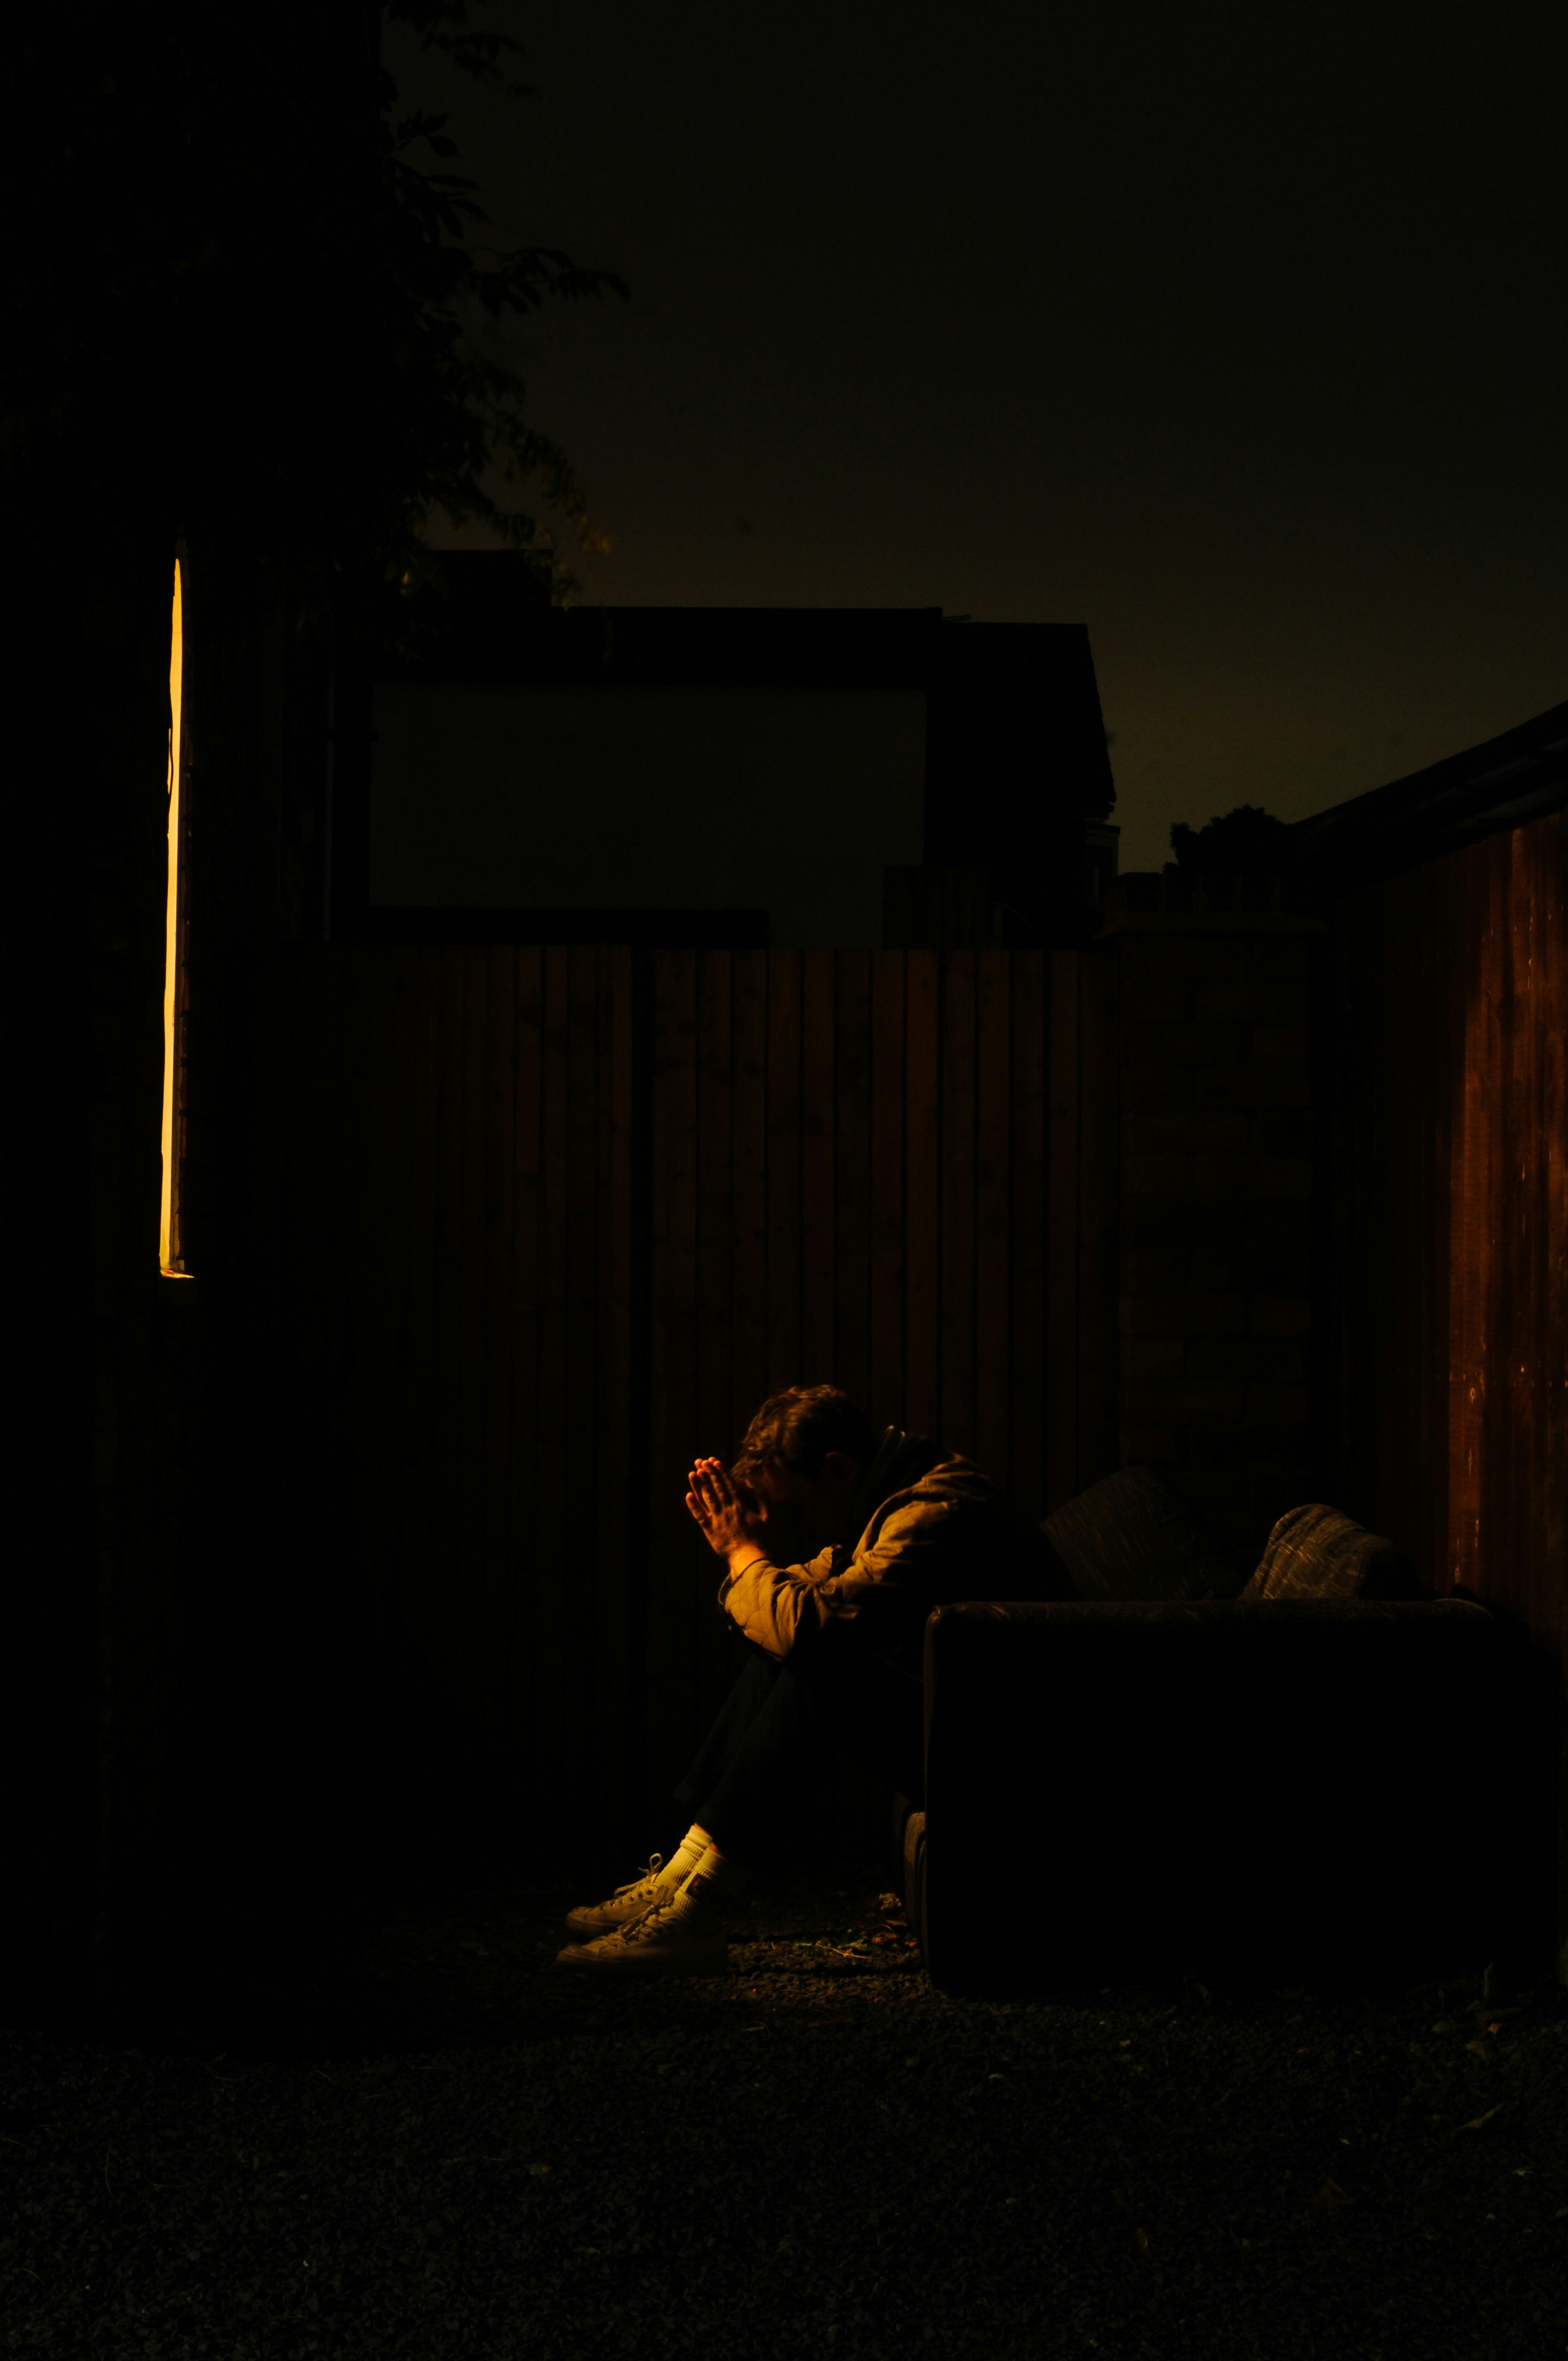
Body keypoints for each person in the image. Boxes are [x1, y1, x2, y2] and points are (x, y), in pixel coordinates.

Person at [556, 1384, 1068, 1976]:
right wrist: (752, 1569)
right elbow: (797, 1604)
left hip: (1020, 1756)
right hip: (982, 1726)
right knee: (791, 1646)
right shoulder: (888, 1496)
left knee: (822, 1665)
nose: (782, 1522)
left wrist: (743, 1554)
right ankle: (681, 1877)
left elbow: (809, 1627)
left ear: (835, 1469)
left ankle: (698, 1907)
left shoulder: (930, 1516)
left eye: (791, 1505)